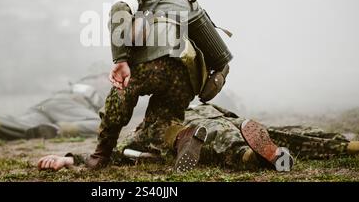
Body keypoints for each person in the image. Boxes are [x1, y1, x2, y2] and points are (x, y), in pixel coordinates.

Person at [87, 0, 227, 169]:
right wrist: (207, 86)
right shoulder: (189, 1)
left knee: (119, 99)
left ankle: (100, 156)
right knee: (161, 126)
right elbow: (221, 60)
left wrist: (121, 58)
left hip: (152, 61)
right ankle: (184, 137)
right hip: (184, 75)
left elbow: (119, 10)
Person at [37, 103, 359, 172]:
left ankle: (258, 157)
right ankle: (345, 145)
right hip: (229, 119)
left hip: (207, 126)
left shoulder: (149, 128)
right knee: (291, 134)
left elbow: (115, 153)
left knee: (218, 144)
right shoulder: (197, 100)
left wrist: (69, 159)